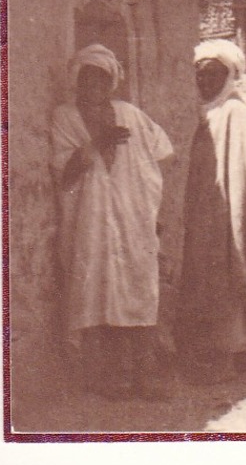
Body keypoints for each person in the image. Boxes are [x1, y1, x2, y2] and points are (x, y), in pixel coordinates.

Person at [50, 43, 175, 398]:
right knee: (97, 293)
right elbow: (64, 173)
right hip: (89, 224)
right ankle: (109, 377)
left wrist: (149, 206)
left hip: (132, 221)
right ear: (76, 81)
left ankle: (143, 376)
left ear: (112, 83)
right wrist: (96, 143)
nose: (93, 86)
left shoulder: (130, 115)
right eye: (85, 79)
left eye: (100, 80)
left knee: (138, 290)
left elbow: (162, 154)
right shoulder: (65, 117)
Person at [178, 39, 246, 382]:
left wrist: (236, 219)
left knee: (232, 272)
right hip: (206, 213)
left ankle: (237, 354)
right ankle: (221, 355)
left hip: (230, 214)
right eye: (200, 75)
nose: (204, 81)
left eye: (213, 74)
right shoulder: (206, 112)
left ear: (228, 76)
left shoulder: (236, 113)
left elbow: (244, 177)